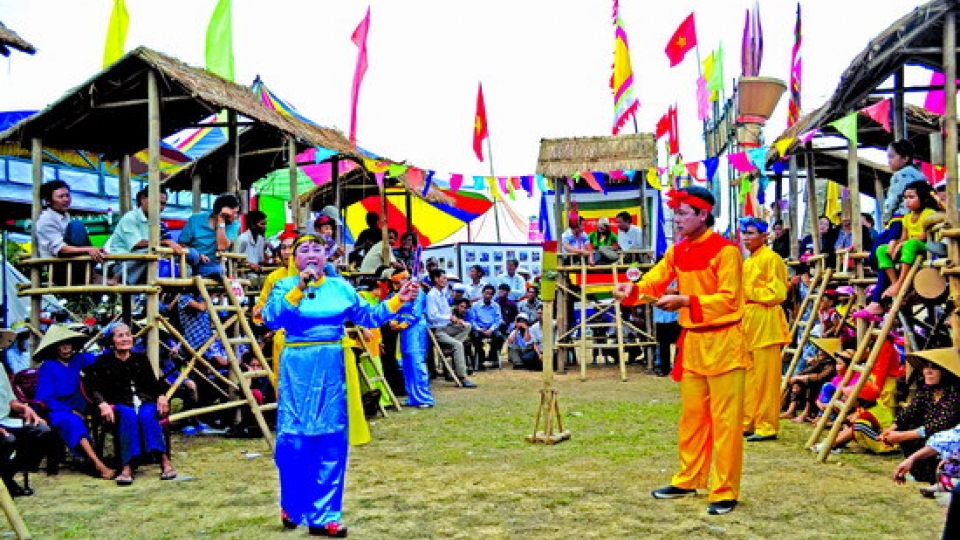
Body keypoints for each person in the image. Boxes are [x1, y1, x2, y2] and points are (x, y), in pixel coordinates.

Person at [262, 233, 420, 536]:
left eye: (317, 250)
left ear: (327, 257)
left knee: (330, 438)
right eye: (304, 250)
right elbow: (271, 318)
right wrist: (298, 287)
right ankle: (292, 505)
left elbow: (370, 316)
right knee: (293, 440)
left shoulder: (340, 287)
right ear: (294, 259)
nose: (311, 255)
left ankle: (324, 516)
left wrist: (400, 298)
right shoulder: (284, 286)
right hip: (297, 365)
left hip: (331, 365)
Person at [614, 186, 748, 515]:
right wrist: (631, 290)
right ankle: (689, 478)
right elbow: (654, 281)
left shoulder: (726, 251)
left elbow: (729, 299)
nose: (677, 219)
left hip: (724, 342)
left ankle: (724, 489)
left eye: (684, 213)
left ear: (703, 215)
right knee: (692, 418)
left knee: (726, 422)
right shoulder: (677, 251)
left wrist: (686, 301)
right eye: (676, 212)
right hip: (694, 343)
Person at [86, 324, 177, 486]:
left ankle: (164, 461)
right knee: (127, 415)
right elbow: (94, 387)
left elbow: (155, 384)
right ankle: (127, 467)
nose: (126, 339)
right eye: (120, 336)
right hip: (120, 403)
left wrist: (162, 395)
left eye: (128, 335)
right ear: (112, 341)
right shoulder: (102, 362)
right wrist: (102, 404)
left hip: (144, 401)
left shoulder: (140, 359)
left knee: (147, 414)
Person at [34, 325, 115, 480]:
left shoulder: (78, 359)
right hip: (56, 408)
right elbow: (44, 397)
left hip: (78, 403)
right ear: (55, 348)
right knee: (73, 421)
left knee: (110, 411)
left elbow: (100, 359)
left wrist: (114, 347)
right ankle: (98, 464)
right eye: (61, 345)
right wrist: (68, 410)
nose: (66, 347)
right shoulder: (48, 367)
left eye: (68, 343)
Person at [855, 180, 941, 319]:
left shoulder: (928, 213)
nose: (907, 201)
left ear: (923, 198)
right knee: (882, 249)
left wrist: (902, 244)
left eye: (911, 197)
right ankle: (895, 283)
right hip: (909, 247)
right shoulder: (906, 217)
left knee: (910, 244)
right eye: (905, 198)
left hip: (924, 248)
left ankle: (900, 282)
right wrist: (896, 244)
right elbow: (904, 236)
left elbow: (925, 235)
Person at [739, 218, 790, 442]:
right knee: (749, 376)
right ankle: (748, 421)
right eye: (744, 233)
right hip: (748, 319)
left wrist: (748, 291)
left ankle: (767, 425)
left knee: (766, 378)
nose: (746, 237)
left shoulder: (771, 259)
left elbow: (778, 293)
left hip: (765, 318)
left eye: (751, 233)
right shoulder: (749, 261)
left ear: (764, 236)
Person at [880, 352, 960, 484]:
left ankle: (937, 475)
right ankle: (920, 471)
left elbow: (941, 424)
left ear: (945, 372)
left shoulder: (955, 393)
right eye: (926, 367)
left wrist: (902, 436)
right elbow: (909, 412)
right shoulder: (927, 391)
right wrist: (890, 431)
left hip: (946, 440)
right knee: (905, 426)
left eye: (934, 368)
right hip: (927, 436)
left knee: (911, 433)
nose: (927, 371)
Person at [35, 180, 111, 285]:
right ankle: (92, 275)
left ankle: (93, 273)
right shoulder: (46, 220)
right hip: (59, 269)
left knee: (77, 225)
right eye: (61, 197)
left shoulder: (65, 216)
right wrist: (89, 249)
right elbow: (61, 249)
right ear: (48, 201)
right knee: (76, 225)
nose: (66, 199)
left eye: (67, 196)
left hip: (72, 264)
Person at [106, 187, 184, 284]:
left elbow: (169, 245)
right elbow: (137, 244)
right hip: (120, 264)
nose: (159, 207)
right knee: (152, 251)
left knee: (185, 261)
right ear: (143, 199)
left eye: (163, 203)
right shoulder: (130, 218)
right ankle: (117, 277)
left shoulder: (158, 223)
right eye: (156, 201)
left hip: (145, 263)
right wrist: (165, 243)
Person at [0, 361, 52, 497]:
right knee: (8, 440)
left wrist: (25, 408)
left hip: (6, 420)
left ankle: (6, 477)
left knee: (42, 431)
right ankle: (7, 482)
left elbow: (10, 401)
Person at [425, 269, 476, 388]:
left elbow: (448, 313)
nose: (445, 280)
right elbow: (432, 316)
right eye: (443, 277)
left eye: (445, 278)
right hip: (437, 329)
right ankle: (462, 377)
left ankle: (448, 348)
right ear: (436, 279)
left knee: (467, 325)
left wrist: (456, 319)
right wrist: (449, 317)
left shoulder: (443, 293)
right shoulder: (432, 295)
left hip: (447, 326)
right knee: (458, 345)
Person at [178, 193, 241, 278]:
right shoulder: (195, 219)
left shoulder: (234, 224)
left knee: (219, 271)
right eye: (234, 213)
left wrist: (221, 220)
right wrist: (199, 255)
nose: (236, 216)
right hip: (189, 260)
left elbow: (221, 246)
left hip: (209, 264)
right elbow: (182, 243)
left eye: (237, 213)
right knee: (193, 254)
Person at [469, 285, 504, 370]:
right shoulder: (475, 305)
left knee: (500, 338)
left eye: (491, 294)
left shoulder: (496, 306)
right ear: (482, 293)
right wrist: (479, 329)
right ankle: (481, 358)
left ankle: (492, 357)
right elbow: (472, 320)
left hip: (492, 329)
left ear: (493, 295)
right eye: (486, 293)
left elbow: (498, 320)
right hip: (479, 329)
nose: (488, 296)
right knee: (475, 337)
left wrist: (491, 329)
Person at [235, 209, 267, 274]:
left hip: (256, 274)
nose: (265, 227)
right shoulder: (242, 238)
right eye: (262, 224)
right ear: (252, 225)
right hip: (243, 275)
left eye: (265, 224)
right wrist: (250, 265)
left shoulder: (261, 239)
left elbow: (260, 261)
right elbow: (235, 259)